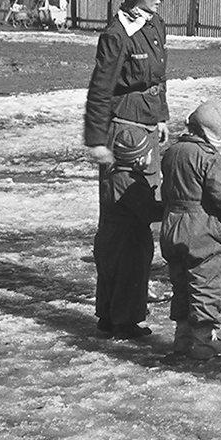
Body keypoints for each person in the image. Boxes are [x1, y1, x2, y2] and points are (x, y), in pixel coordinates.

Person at [160, 100, 221, 361]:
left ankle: (182, 338)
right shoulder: (208, 157)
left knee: (181, 283)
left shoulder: (172, 151)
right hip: (200, 229)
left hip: (172, 224)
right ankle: (205, 341)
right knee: (205, 282)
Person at [83, 0, 173, 184]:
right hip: (125, 128)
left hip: (149, 123)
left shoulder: (155, 25)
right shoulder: (118, 34)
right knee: (129, 198)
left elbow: (157, 78)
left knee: (150, 193)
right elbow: (100, 88)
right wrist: (97, 141)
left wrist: (160, 117)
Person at [93, 127, 164, 340]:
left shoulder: (112, 175)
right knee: (130, 279)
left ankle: (106, 318)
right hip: (129, 238)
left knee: (109, 279)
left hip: (108, 235)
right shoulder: (130, 182)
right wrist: (170, 205)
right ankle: (126, 323)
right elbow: (148, 211)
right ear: (139, 158)